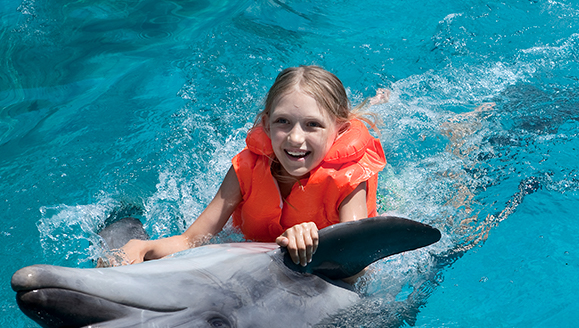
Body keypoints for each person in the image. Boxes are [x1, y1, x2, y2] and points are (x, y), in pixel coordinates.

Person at [118, 65, 387, 267]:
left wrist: (316, 240)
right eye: (283, 122)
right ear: (267, 124)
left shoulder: (349, 181)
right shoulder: (244, 170)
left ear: (339, 131)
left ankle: (379, 106)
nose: (295, 138)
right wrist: (144, 247)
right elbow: (192, 240)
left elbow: (357, 267)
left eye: (312, 125)